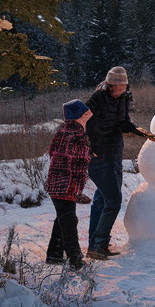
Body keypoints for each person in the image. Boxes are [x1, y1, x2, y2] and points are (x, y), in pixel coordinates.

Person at [84, 66, 155, 260]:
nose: (121, 89)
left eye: (124, 85)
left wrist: (137, 130)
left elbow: (122, 122)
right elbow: (85, 125)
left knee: (102, 198)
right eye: (118, 86)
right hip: (98, 156)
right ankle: (98, 244)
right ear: (110, 85)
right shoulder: (96, 100)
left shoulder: (123, 99)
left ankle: (96, 244)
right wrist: (91, 147)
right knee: (113, 201)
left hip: (114, 153)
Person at [44, 100, 93, 269]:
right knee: (69, 221)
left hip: (60, 184)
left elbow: (57, 153)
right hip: (64, 185)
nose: (88, 117)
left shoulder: (64, 131)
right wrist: (89, 152)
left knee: (63, 219)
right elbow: (77, 159)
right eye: (86, 114)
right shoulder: (75, 133)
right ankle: (75, 259)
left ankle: (54, 255)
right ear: (79, 116)